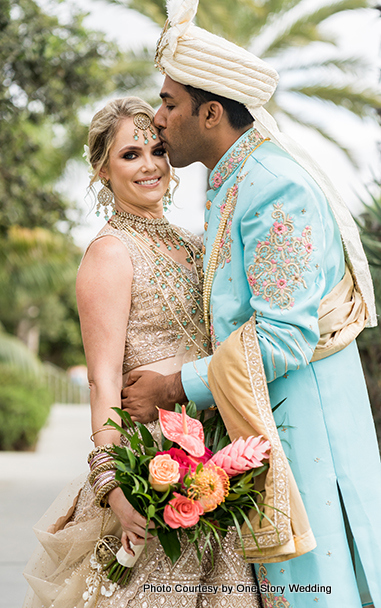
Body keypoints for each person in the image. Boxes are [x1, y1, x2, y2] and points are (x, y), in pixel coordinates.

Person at [121, 2, 381, 608]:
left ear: (211, 113)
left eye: (169, 103)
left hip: (306, 422)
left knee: (318, 589)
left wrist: (173, 388)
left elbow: (283, 336)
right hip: (267, 416)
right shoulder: (229, 179)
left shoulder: (273, 185)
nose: (157, 121)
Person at [22, 96, 262, 608]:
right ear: (102, 170)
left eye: (156, 149)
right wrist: (113, 484)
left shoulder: (195, 244)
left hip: (216, 459)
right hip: (151, 465)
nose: (150, 164)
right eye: (130, 155)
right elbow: (103, 380)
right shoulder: (110, 252)